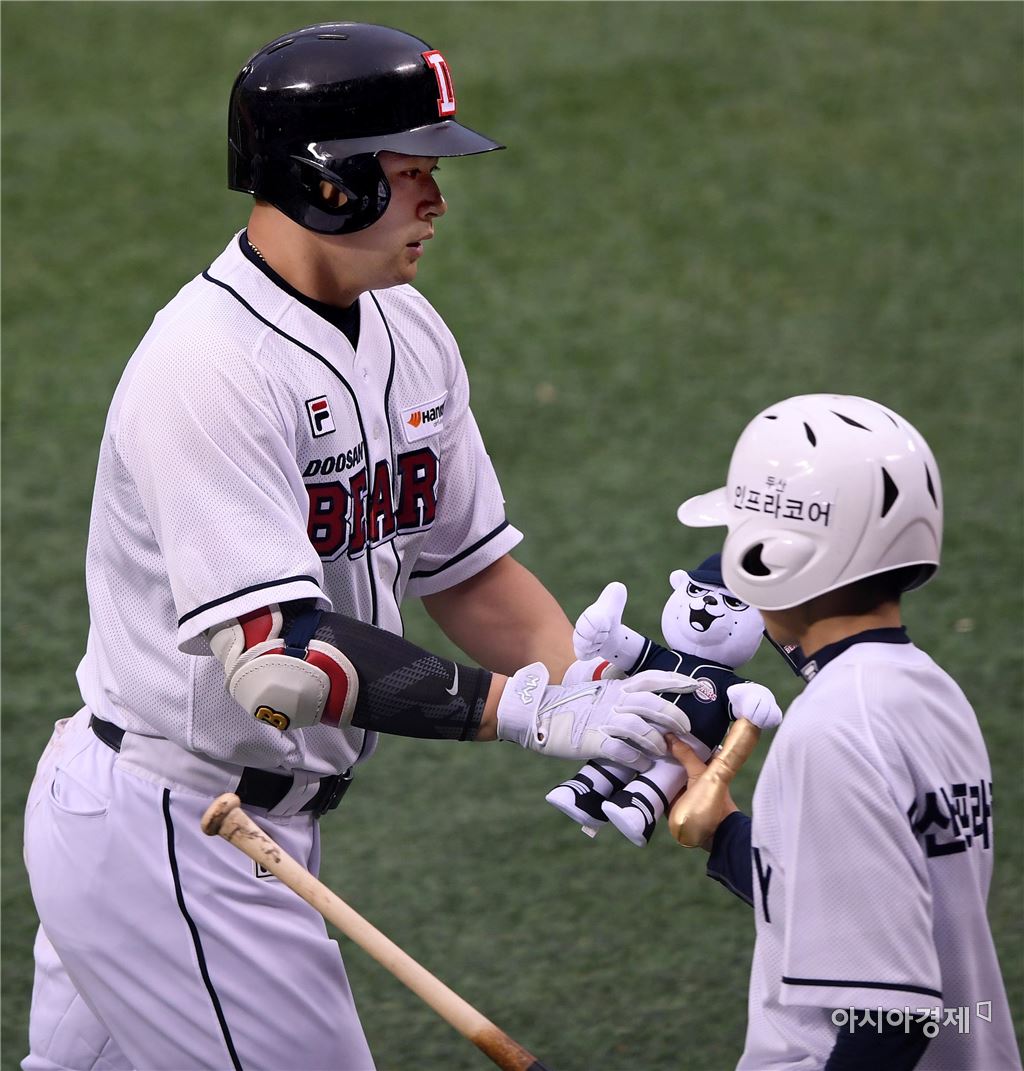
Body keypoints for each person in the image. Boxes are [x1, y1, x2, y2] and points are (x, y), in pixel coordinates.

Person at [21, 23, 696, 1071]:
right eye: (413, 171)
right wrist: (526, 711)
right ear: (328, 181)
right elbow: (282, 662)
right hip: (181, 829)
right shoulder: (206, 368)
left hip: (209, 824)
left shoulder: (407, 329)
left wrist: (598, 697)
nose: (436, 200)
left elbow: (468, 573)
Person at [668, 393, 1020, 1070]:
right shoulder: (931, 691)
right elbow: (865, 898)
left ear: (776, 557)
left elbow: (891, 1018)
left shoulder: (831, 726)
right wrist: (725, 832)